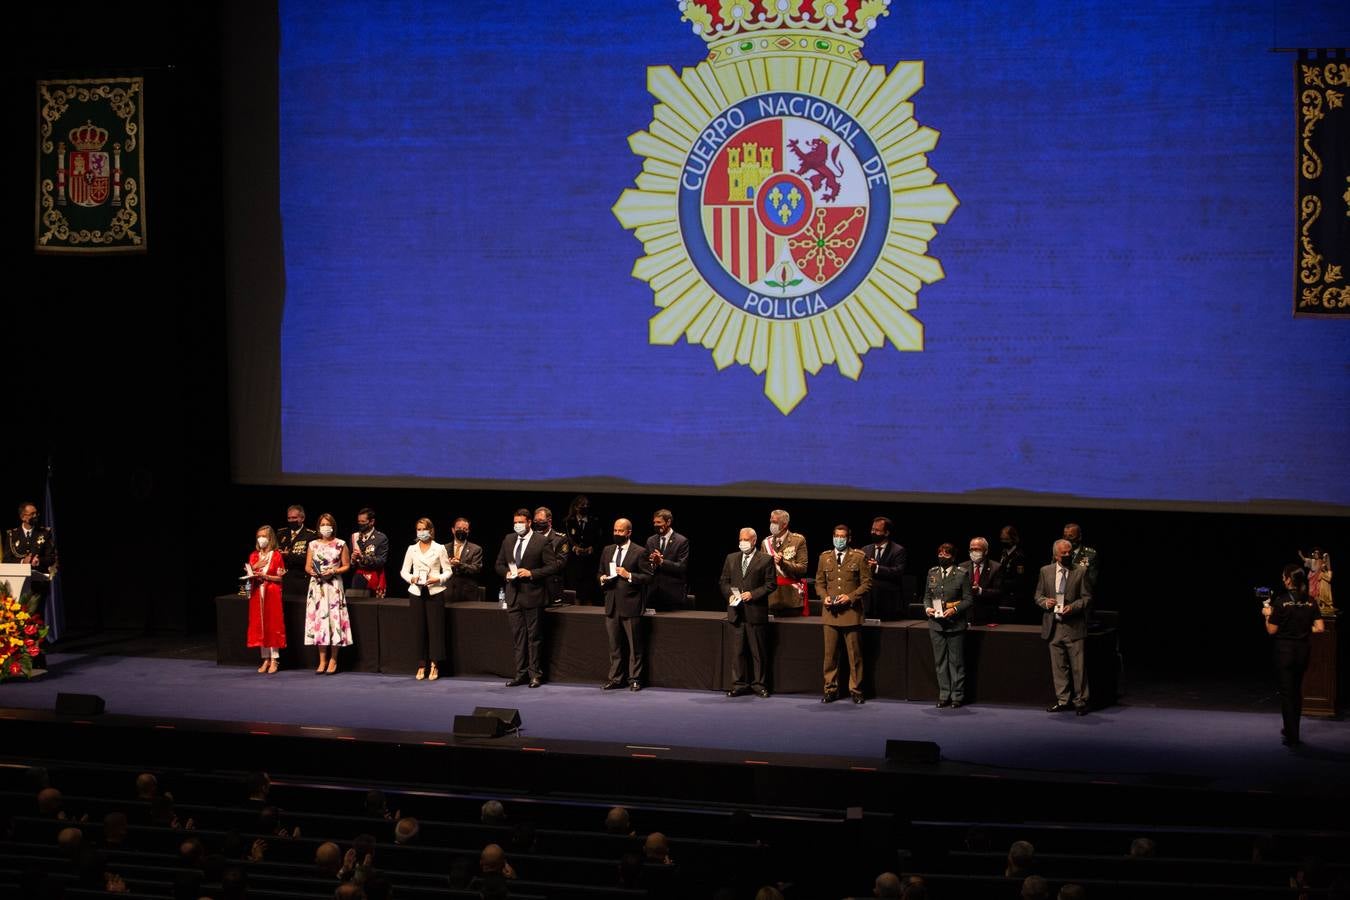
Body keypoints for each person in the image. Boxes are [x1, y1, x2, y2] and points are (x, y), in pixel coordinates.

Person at [495, 508, 563, 687]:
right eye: (515, 522)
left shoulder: (541, 541)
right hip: (513, 595)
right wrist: (507, 573)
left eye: (521, 522)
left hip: (533, 595)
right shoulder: (508, 539)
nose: (518, 525)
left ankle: (535, 674)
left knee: (534, 637)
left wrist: (531, 573)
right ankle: (521, 673)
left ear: (529, 522)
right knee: (518, 637)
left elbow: (552, 566)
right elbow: (499, 564)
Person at [1264, 564, 1325, 747]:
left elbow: (1272, 630)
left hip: (1285, 652)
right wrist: (1305, 628)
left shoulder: (1281, 601)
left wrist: (1267, 615)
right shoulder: (1311, 600)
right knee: (1296, 692)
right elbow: (1320, 628)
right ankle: (1291, 729)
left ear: (1289, 579)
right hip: (1303, 652)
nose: (1282, 579)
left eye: (1284, 576)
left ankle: (1292, 735)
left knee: (1287, 694)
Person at [816, 524, 872, 704]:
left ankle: (856, 690)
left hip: (851, 613)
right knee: (830, 655)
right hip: (830, 614)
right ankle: (830, 689)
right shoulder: (825, 557)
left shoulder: (858, 557)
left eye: (843, 536)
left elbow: (867, 583)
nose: (839, 539)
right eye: (836, 536)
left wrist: (850, 597)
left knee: (854, 655)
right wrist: (824, 597)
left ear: (849, 538)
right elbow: (819, 583)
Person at [1036, 539, 1092, 714]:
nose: (1068, 555)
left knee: (1078, 668)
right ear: (1055, 555)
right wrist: (1046, 602)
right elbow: (1038, 595)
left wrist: (1072, 607)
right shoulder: (1045, 571)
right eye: (1064, 553)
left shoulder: (1081, 571)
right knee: (1058, 667)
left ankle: (1081, 701)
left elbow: (1086, 598)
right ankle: (1063, 700)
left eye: (1070, 552)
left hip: (1073, 626)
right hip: (1054, 626)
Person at [720, 527, 777, 697]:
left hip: (755, 612)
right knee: (737, 652)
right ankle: (739, 684)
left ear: (753, 541)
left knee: (757, 652)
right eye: (740, 539)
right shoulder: (731, 558)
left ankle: (759, 684)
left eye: (745, 540)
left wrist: (753, 594)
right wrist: (730, 595)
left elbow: (770, 584)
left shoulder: (766, 560)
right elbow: (724, 581)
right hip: (736, 613)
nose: (742, 543)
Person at [600, 519, 652, 690]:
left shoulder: (640, 552)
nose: (617, 533)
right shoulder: (607, 550)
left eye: (620, 531)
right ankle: (615, 679)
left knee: (634, 646)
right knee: (614, 646)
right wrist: (601, 578)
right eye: (615, 530)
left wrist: (628, 574)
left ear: (628, 532)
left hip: (631, 604)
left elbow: (648, 577)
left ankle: (634, 679)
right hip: (611, 604)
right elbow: (600, 571)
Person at [399, 517, 453, 681]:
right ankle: (421, 664)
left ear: (431, 530)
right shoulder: (412, 549)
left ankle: (434, 665)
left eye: (424, 529)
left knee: (435, 629)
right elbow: (404, 571)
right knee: (418, 629)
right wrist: (412, 579)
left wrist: (438, 579)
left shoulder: (439, 548)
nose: (421, 532)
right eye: (419, 529)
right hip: (416, 592)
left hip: (434, 592)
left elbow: (448, 571)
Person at [923, 543, 974, 708]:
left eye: (945, 554)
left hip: (955, 625)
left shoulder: (961, 574)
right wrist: (928, 608)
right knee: (940, 662)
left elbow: (968, 599)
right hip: (936, 624)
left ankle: (957, 696)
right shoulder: (932, 573)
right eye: (939, 553)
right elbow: (926, 596)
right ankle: (944, 695)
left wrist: (955, 610)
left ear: (952, 557)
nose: (941, 556)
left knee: (956, 662)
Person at [304, 513, 352, 675]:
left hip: (333, 587)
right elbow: (308, 566)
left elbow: (347, 565)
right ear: (318, 527)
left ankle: (333, 659)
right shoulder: (313, 544)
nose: (325, 527)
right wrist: (314, 572)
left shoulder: (341, 544)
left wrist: (334, 570)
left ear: (333, 526)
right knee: (320, 623)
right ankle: (322, 660)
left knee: (334, 621)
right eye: (323, 524)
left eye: (328, 524)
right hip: (317, 587)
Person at [245, 525, 286, 674]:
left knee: (272, 625)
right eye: (258, 536)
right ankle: (265, 659)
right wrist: (255, 566)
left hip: (271, 592)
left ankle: (275, 659)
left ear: (270, 538)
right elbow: (249, 573)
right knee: (260, 626)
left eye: (264, 536)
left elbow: (280, 578)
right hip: (257, 593)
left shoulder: (276, 555)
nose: (261, 539)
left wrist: (267, 576)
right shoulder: (254, 555)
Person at [764, 509, 808, 615]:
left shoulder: (798, 540)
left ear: (784, 525)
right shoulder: (766, 542)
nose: (771, 525)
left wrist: (783, 564)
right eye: (771, 521)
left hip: (791, 599)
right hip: (771, 599)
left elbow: (803, 568)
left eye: (775, 522)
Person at [645, 509, 690, 612]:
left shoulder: (681, 541)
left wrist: (661, 562)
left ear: (668, 522)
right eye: (654, 522)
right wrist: (652, 563)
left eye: (659, 522)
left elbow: (681, 567)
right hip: (653, 594)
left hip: (673, 595)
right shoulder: (650, 540)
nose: (656, 525)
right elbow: (645, 564)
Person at [4, 501, 57, 584]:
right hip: (18, 581)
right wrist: (22, 562)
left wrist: (39, 561)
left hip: (39, 582)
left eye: (36, 513)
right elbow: (6, 560)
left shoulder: (45, 533)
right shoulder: (12, 535)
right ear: (23, 517)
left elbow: (52, 557)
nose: (35, 516)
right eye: (32, 514)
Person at [863, 516, 905, 620]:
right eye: (872, 529)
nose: (873, 532)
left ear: (886, 533)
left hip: (888, 604)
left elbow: (898, 571)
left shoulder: (898, 550)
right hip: (868, 603)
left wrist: (876, 568)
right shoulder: (865, 550)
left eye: (877, 530)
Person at [564, 496, 602, 605]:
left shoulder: (595, 521)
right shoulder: (568, 522)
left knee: (588, 593)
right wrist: (574, 548)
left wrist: (593, 548)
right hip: (573, 563)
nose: (584, 508)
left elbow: (600, 539)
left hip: (590, 563)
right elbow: (564, 539)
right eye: (582, 506)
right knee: (575, 593)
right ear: (576, 507)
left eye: (586, 506)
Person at [995, 525, 1034, 622]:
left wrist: (1001, 584)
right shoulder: (1002, 553)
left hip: (1013, 597)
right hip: (1001, 595)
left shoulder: (1019, 556)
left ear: (1013, 539)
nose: (1004, 542)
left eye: (1006, 539)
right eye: (1002, 539)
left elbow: (1020, 580)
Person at [961, 536, 1003, 625]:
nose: (974, 552)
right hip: (966, 615)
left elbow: (999, 592)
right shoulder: (962, 567)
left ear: (986, 551)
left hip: (987, 616)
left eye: (977, 549)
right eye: (971, 549)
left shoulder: (996, 567)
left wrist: (980, 590)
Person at [278, 505, 317, 598]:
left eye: (294, 518)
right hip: (284, 579)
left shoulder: (311, 535)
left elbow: (309, 559)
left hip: (301, 579)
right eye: (289, 518)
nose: (291, 520)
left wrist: (289, 555)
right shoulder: (280, 533)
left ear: (302, 518)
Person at [349, 508, 389, 598]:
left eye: (363, 521)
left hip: (375, 577)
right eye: (359, 521)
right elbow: (350, 564)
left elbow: (381, 561)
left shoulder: (381, 538)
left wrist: (363, 558)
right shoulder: (354, 537)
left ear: (371, 522)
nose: (360, 524)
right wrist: (352, 560)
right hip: (358, 579)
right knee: (357, 608)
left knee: (373, 609)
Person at [535, 507, 568, 606]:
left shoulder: (560, 538)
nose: (537, 523)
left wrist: (537, 571)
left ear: (549, 521)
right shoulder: (531, 537)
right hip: (533, 586)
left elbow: (560, 563)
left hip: (551, 586)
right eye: (535, 520)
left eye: (541, 520)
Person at [446, 518, 484, 603]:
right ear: (453, 530)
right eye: (459, 528)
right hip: (448, 592)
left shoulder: (476, 549)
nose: (462, 531)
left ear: (468, 531)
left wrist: (459, 564)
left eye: (465, 529)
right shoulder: (444, 548)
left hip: (468, 593)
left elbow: (476, 569)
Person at [1062, 522, 1098, 592]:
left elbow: (1091, 581)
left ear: (1079, 537)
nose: (1067, 540)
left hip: (1080, 595)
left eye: (1070, 536)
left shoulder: (1088, 554)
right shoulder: (1060, 553)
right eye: (1065, 536)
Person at [1299, 548, 1335, 615]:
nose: (1316, 555)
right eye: (1315, 553)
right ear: (1313, 554)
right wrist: (1301, 555)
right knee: (1311, 591)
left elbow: (1326, 566)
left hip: (1319, 578)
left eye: (1317, 554)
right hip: (1312, 579)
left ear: (1319, 555)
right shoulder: (1312, 561)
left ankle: (1319, 605)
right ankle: (1312, 604)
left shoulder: (1321, 561)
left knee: (1319, 592)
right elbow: (1305, 560)